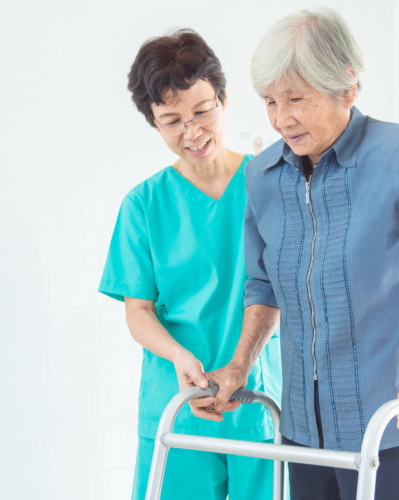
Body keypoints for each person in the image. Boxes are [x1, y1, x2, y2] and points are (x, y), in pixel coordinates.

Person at [189, 8, 399, 499]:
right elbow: (262, 286)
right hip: (304, 438)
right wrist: (240, 365)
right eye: (270, 102)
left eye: (296, 98)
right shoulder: (262, 177)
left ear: (348, 87)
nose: (281, 119)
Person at [99, 29, 283, 500]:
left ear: (223, 99)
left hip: (258, 405)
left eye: (203, 111)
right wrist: (180, 357)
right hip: (178, 406)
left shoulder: (268, 186)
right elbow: (137, 311)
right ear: (154, 122)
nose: (192, 132)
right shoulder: (143, 205)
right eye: (172, 121)